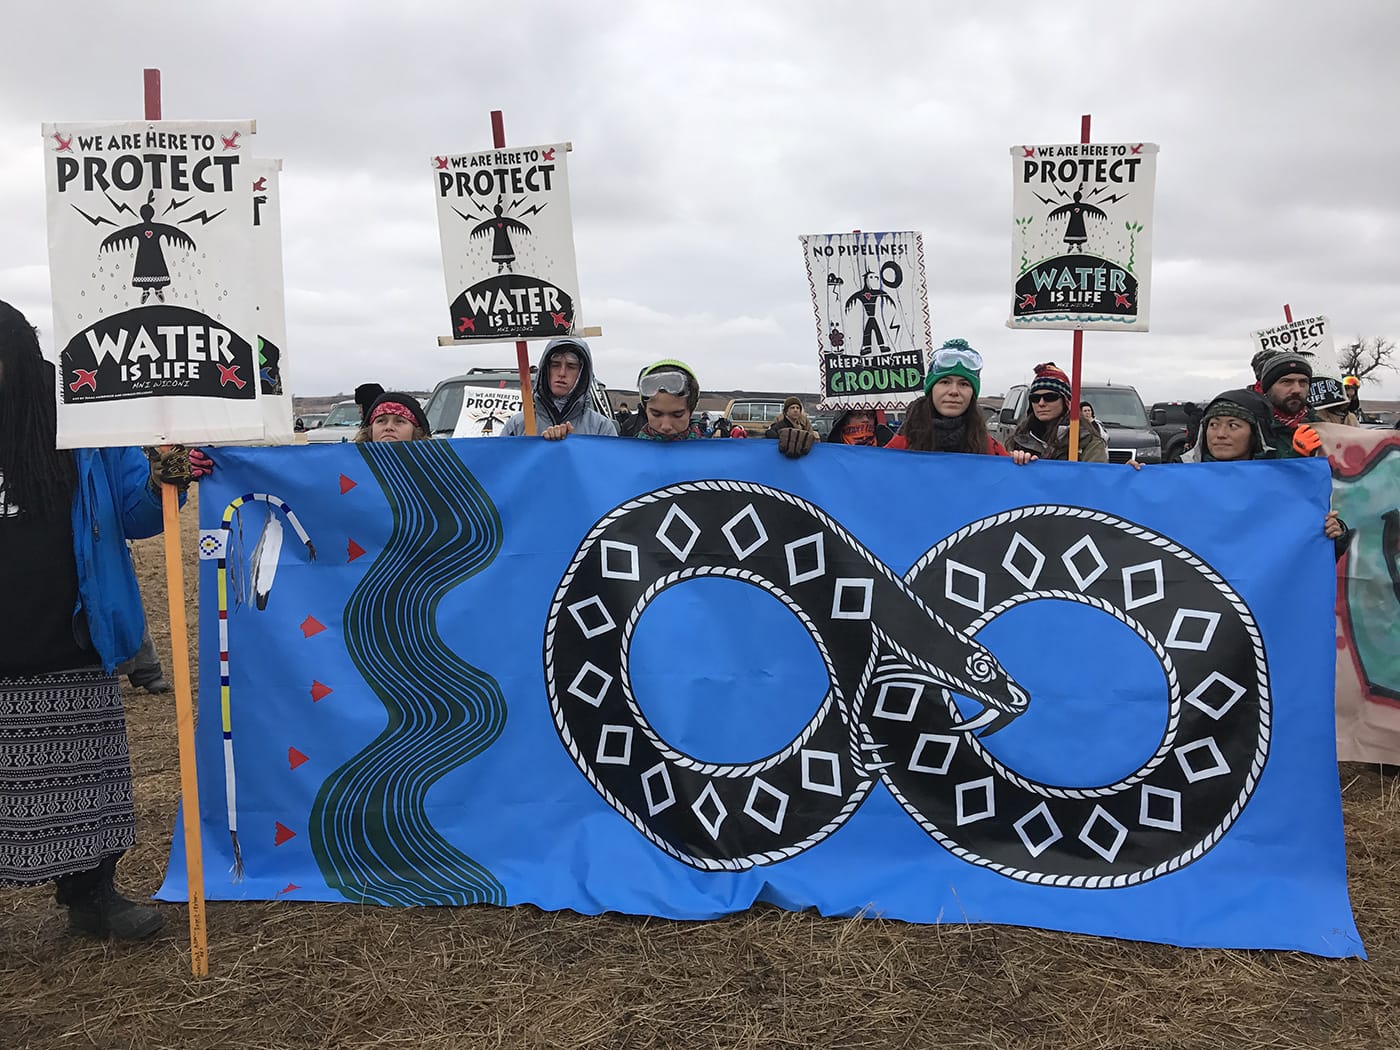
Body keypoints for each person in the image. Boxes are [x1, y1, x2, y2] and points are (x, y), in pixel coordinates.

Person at [0, 299, 211, 940]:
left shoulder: (84, 424)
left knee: (84, 776)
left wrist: (163, 479)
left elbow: (138, 515)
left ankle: (92, 895)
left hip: (67, 633)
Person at [1181, 387, 1348, 553]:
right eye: (1213, 424)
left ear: (1255, 434)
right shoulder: (1181, 480)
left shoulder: (1282, 483)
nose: (1220, 434)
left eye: (1233, 425)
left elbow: (1299, 549)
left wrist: (1334, 534)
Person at [634, 361, 811, 456]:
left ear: (691, 408)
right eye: (656, 413)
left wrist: (792, 445)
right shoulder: (628, 456)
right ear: (645, 408)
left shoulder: (715, 455)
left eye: (677, 414)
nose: (665, 425)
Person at [885, 339, 1010, 457]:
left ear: (972, 393)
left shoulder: (988, 446)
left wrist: (1019, 462)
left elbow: (1010, 474)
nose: (954, 391)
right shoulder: (904, 441)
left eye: (964, 384)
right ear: (931, 388)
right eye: (945, 382)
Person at [502, 338, 618, 440]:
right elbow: (501, 463)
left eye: (571, 366)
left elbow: (609, 464)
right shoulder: (518, 425)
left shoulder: (601, 428)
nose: (562, 373)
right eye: (555, 365)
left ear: (581, 374)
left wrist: (575, 445)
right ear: (546, 369)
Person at [1007, 361, 1108, 462]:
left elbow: (1095, 475)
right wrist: (1016, 461)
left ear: (1065, 401)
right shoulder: (1018, 439)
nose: (1041, 403)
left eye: (1050, 397)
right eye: (1035, 398)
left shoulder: (1087, 440)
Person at [1252, 351, 1316, 457]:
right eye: (1286, 382)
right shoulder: (1253, 430)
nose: (1297, 390)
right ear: (1267, 388)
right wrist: (1297, 455)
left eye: (1303, 382)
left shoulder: (1322, 427)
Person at [353, 392, 430, 443]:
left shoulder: (433, 465)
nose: (389, 427)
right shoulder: (351, 464)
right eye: (381, 421)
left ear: (417, 431)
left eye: (399, 421)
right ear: (370, 430)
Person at [825, 408, 895, 447]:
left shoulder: (888, 444)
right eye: (858, 414)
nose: (866, 419)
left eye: (870, 415)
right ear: (844, 420)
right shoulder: (830, 449)